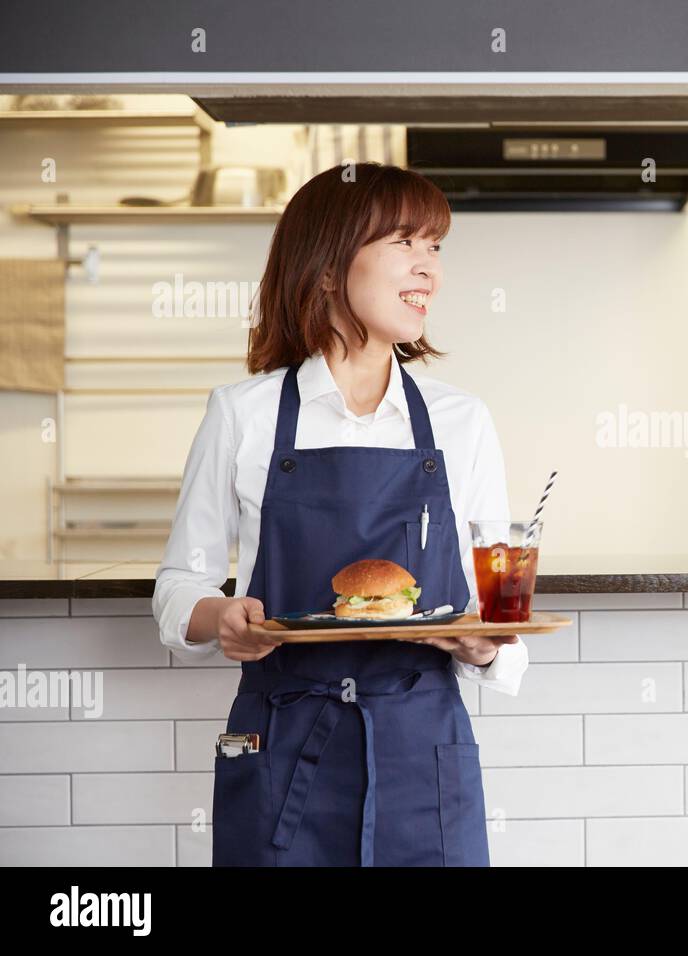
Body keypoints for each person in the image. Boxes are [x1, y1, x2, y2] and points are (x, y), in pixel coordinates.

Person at [152, 162, 527, 866]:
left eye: (436, 247)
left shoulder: (460, 422)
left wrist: (485, 645)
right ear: (328, 269)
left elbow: (495, 611)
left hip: (423, 749)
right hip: (282, 743)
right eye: (404, 244)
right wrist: (221, 619)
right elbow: (179, 586)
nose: (429, 269)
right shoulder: (243, 415)